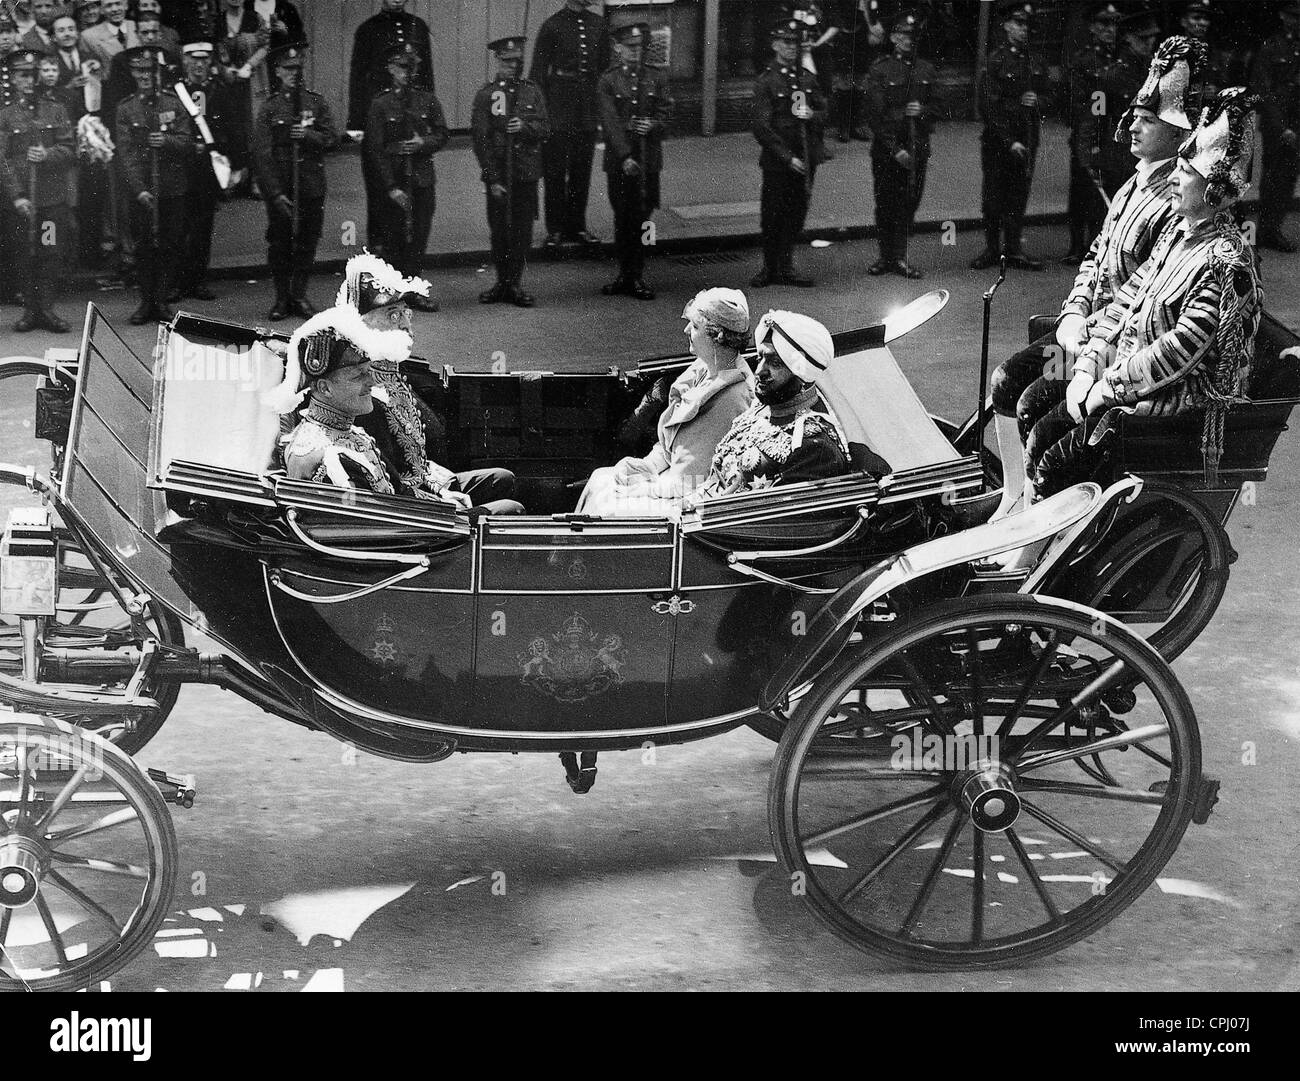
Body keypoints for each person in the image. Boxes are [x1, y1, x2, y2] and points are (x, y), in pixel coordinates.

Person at [1019, 88, 1263, 499]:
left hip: (1170, 403)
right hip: (1127, 376)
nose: (1174, 178)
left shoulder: (1226, 262)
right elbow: (1126, 303)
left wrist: (1106, 387)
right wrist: (1085, 367)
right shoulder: (1175, 234)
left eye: (1185, 172)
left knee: (1055, 460)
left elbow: (1179, 351)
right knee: (1037, 418)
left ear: (1213, 190)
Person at [991, 35, 1203, 427]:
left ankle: (1044, 488)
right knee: (1005, 380)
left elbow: (1144, 293)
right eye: (1135, 116)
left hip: (1119, 344)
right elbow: (1096, 256)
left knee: (1031, 405)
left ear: (1177, 134)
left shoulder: (1176, 199)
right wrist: (1073, 312)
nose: (1132, 127)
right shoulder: (1132, 182)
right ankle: (1012, 489)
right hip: (1084, 329)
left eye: (1148, 121)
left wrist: (1086, 330)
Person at [335, 254, 525, 514]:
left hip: (425, 484)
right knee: (511, 508)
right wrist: (440, 499)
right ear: (363, 323)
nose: (405, 324)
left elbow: (415, 464)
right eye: (392, 315)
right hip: (405, 508)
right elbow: (387, 482)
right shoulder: (360, 388)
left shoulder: (393, 372)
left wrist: (440, 488)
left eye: (406, 313)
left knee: (502, 479)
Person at [578, 288, 754, 517]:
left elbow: (693, 480)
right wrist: (649, 465)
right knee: (601, 478)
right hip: (674, 481)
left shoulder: (731, 397)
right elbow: (673, 441)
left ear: (717, 337)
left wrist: (645, 487)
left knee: (605, 505)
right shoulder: (706, 368)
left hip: (691, 504)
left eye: (696, 326)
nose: (686, 329)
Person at [687, 309, 851, 505]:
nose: (759, 371)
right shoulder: (763, 406)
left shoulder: (814, 448)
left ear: (804, 374)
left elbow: (775, 525)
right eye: (760, 358)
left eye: (775, 363)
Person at [252, 40, 339, 321]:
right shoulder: (270, 108)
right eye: (288, 69)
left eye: (297, 68)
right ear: (277, 71)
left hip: (311, 185)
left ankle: (299, 295)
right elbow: (262, 155)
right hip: (282, 188)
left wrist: (309, 136)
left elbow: (331, 139)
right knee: (280, 243)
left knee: (307, 241)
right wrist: (274, 193)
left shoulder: (315, 102)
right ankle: (281, 299)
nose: (294, 73)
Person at [276, 305, 403, 494]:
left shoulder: (341, 431)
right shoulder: (331, 458)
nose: (372, 382)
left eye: (369, 372)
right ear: (325, 388)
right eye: (358, 375)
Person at [114, 44, 192, 325]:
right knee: (144, 247)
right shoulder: (126, 108)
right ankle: (146, 302)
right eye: (139, 71)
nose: (145, 76)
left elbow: (186, 141)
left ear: (158, 72)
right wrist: (139, 189)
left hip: (172, 188)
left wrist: (166, 141)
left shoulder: (173, 103)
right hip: (142, 190)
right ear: (133, 73)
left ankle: (162, 300)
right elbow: (125, 154)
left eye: (150, 70)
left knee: (170, 245)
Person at [363, 41, 447, 299]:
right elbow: (375, 150)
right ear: (390, 68)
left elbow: (442, 134)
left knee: (419, 235)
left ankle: (413, 287)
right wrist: (391, 187)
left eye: (411, 67)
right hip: (396, 180)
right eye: (401, 66)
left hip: (421, 178)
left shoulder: (428, 100)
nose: (407, 72)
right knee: (394, 238)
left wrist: (424, 143)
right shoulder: (381, 104)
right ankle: (395, 291)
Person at [471, 34, 549, 308]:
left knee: (522, 232)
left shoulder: (531, 91)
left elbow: (544, 127)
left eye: (516, 62)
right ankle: (501, 282)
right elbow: (481, 139)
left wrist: (525, 128)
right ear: (497, 61)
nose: (512, 67)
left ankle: (514, 283)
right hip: (499, 174)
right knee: (500, 230)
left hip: (525, 174)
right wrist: (492, 177)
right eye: (506, 62)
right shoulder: (489, 94)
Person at [971, 0, 1050, 272]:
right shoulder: (995, 60)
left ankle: (1014, 249)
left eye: (1026, 25)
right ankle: (992, 249)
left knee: (1018, 195)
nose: (1022, 29)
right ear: (1006, 26)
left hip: (1027, 137)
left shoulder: (1036, 61)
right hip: (998, 141)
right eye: (1017, 23)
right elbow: (988, 106)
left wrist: (1038, 100)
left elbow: (1053, 98)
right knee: (993, 196)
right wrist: (1009, 140)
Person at [0, 48, 75, 332]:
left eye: (33, 74)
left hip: (50, 201)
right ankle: (30, 311)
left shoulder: (55, 109)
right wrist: (17, 195)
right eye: (23, 75)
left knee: (49, 251)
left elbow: (69, 149)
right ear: (14, 79)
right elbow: (3, 160)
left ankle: (47, 310)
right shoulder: (5, 116)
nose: (29, 80)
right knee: (23, 253)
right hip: (21, 202)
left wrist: (48, 155)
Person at [597, 21, 673, 301]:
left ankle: (638, 273)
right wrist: (625, 155)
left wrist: (652, 124)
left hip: (648, 160)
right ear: (618, 48)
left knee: (643, 219)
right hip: (620, 162)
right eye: (629, 48)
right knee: (622, 217)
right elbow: (610, 122)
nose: (635, 53)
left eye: (639, 48)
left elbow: (667, 114)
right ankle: (623, 274)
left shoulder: (656, 77)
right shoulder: (609, 80)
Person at [751, 18, 827, 289]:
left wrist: (813, 115)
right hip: (779, 161)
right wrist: (787, 157)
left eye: (795, 43)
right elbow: (761, 125)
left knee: (796, 213)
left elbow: (825, 111)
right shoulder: (767, 81)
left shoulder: (807, 78)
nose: (791, 47)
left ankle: (787, 265)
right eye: (786, 42)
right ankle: (769, 268)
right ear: (775, 45)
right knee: (772, 214)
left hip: (806, 157)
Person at [530, 0, 608, 252]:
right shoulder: (552, 26)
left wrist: (600, 111)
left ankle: (578, 226)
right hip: (558, 108)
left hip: (586, 110)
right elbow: (538, 75)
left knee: (581, 171)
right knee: (554, 172)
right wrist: (542, 115)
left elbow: (605, 71)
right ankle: (555, 230)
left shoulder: (598, 24)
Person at [864, 9, 935, 279]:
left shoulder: (926, 69)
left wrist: (923, 111)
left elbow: (940, 107)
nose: (909, 40)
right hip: (887, 151)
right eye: (904, 35)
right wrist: (896, 150)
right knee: (885, 203)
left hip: (917, 149)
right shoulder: (881, 69)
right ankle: (885, 257)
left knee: (910, 202)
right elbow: (875, 115)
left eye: (913, 36)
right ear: (894, 38)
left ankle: (901, 257)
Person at [171, 38, 233, 301]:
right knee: (178, 227)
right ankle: (176, 282)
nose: (199, 65)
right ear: (184, 61)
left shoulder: (219, 91)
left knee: (202, 227)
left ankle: (197, 281)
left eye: (204, 60)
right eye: (193, 60)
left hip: (207, 169)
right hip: (180, 167)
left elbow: (232, 128)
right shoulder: (176, 92)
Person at [1060, 3, 1120, 265]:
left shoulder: (1120, 60)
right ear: (1093, 28)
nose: (1110, 30)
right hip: (1087, 133)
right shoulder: (1084, 60)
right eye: (1104, 24)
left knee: (1104, 190)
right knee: (1081, 190)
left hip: (1110, 136)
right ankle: (1076, 245)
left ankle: (1098, 244)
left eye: (1113, 25)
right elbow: (1075, 100)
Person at [1087, 6, 1161, 198]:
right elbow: (1096, 118)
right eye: (1143, 39)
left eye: (1152, 38)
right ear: (1129, 38)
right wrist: (1094, 156)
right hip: (1121, 158)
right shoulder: (1110, 77)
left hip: (1152, 155)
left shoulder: (1156, 74)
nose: (1149, 44)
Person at [1250, 0, 1300, 252]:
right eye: (1293, 15)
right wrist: (1282, 128)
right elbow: (1262, 89)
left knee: (1289, 178)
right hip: (1276, 124)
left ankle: (1274, 228)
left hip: (1297, 123)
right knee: (1273, 177)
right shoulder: (1271, 47)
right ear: (1282, 16)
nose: (1297, 20)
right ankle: (1266, 230)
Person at [347, 0, 433, 131]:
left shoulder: (418, 26)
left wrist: (431, 112)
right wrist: (356, 122)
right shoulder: (368, 29)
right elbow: (358, 79)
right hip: (383, 110)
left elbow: (426, 73)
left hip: (415, 109)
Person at [80, 0, 138, 71]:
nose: (115, 9)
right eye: (109, 5)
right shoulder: (88, 36)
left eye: (118, 4)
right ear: (101, 10)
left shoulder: (137, 27)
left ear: (126, 5)